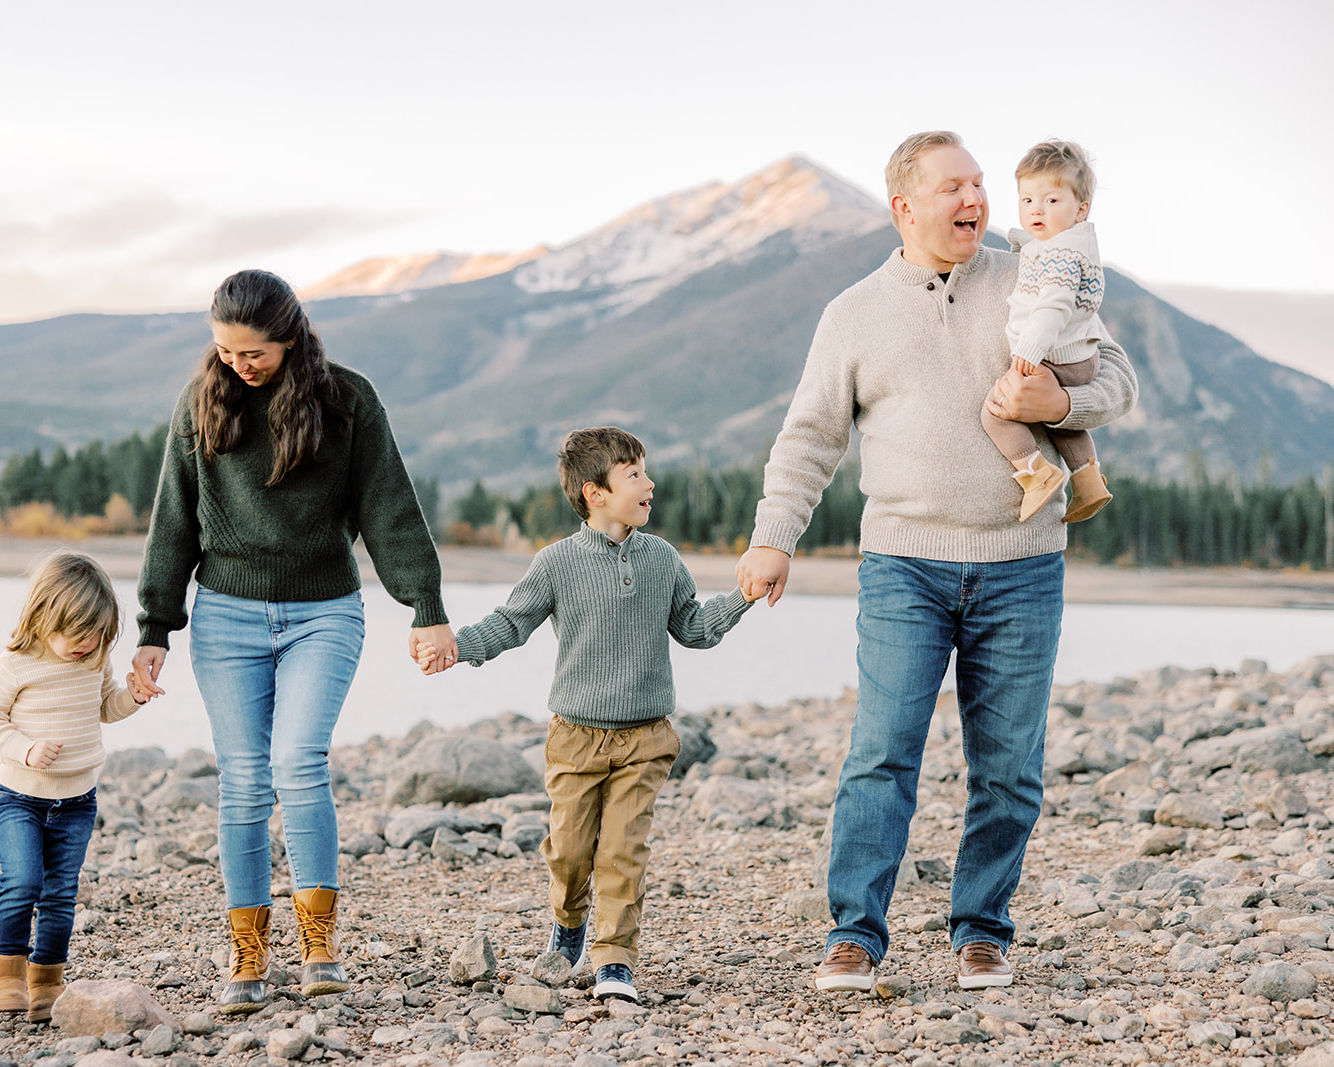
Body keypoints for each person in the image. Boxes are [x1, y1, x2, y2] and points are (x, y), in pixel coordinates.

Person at [735, 131, 1137, 993]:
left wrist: (1061, 399)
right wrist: (775, 536)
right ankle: (854, 932)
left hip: (1024, 563)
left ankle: (982, 930)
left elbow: (1120, 380)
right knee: (881, 753)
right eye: (955, 185)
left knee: (1010, 764)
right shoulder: (853, 312)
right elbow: (809, 438)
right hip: (903, 567)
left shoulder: (1031, 277)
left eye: (981, 183)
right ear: (904, 205)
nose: (978, 199)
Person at [130, 269, 454, 1012]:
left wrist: (425, 604)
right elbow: (172, 519)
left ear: (291, 337)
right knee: (244, 779)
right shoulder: (201, 402)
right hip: (226, 615)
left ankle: (319, 944)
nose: (239, 366)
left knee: (299, 762)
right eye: (225, 352)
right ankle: (247, 952)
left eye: (255, 354)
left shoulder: (346, 400)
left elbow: (389, 508)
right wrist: (155, 626)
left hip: (324, 612)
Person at [417, 427, 756, 1003]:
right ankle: (569, 922)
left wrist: (742, 595)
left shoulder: (662, 559)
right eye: (634, 475)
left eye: (645, 472)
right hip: (574, 738)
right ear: (594, 492)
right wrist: (458, 645)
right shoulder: (556, 563)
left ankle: (615, 961)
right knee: (571, 851)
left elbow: (694, 629)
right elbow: (510, 623)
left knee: (623, 850)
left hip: (646, 738)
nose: (650, 484)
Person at [0, 551, 150, 1022]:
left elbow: (104, 709)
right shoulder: (16, 663)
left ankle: (47, 980)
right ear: (44, 615)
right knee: (21, 882)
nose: (87, 644)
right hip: (21, 799)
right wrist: (24, 748)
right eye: (78, 635)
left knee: (60, 894)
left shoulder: (94, 659)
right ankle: (7, 973)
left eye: (97, 636)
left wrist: (130, 697)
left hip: (76, 802)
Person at [982, 140, 1114, 522]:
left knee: (998, 412)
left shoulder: (1060, 257)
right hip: (1079, 358)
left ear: (1081, 209)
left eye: (1051, 201)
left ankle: (1036, 474)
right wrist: (1025, 243)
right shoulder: (1069, 247)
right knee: (1056, 419)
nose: (1036, 209)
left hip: (1054, 355)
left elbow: (1054, 303)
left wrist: (1030, 347)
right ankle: (1089, 482)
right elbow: (1048, 259)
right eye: (1027, 201)